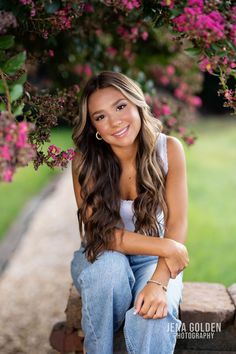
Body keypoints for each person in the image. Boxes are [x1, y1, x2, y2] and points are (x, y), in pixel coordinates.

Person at [70, 71, 189, 354]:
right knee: (110, 270)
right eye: (100, 116)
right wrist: (168, 246)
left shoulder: (169, 149)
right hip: (100, 256)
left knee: (153, 316)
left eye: (120, 107)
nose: (114, 122)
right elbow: (102, 235)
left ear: (137, 103)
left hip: (154, 261)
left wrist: (159, 282)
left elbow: (177, 223)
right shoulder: (84, 163)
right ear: (94, 126)